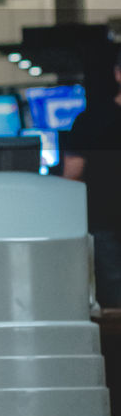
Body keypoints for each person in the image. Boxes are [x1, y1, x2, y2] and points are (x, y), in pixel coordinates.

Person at [63, 46, 121, 309]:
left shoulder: (91, 120)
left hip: (104, 227)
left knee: (115, 303)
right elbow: (72, 175)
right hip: (105, 228)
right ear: (117, 74)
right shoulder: (91, 120)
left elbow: (71, 175)